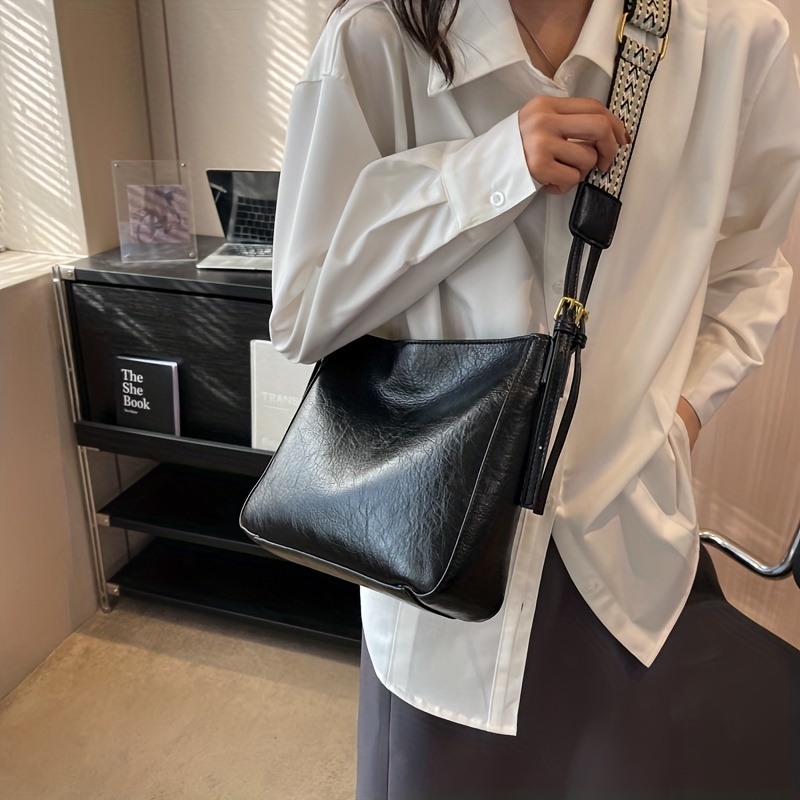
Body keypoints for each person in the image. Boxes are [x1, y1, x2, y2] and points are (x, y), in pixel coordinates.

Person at [269, 0, 800, 796]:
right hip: (437, 558)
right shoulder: (374, 41)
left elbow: (751, 271)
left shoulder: (731, 38)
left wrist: (677, 418)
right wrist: (491, 169)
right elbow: (303, 310)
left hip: (626, 548)